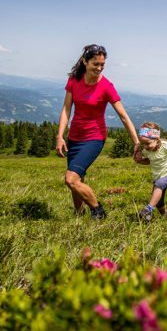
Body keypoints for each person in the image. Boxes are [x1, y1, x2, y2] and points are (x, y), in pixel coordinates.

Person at [56, 44, 139, 219]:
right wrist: (60, 136)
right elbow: (66, 109)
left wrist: (137, 142)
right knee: (77, 180)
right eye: (96, 64)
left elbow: (123, 116)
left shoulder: (107, 86)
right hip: (74, 137)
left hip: (94, 138)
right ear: (85, 61)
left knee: (70, 179)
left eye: (102, 65)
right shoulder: (74, 79)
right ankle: (78, 214)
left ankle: (98, 211)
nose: (99, 68)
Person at [133, 122, 167, 222]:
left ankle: (148, 209)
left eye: (148, 143)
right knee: (158, 201)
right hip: (158, 177)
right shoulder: (147, 151)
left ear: (156, 139)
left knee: (159, 184)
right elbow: (149, 161)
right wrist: (140, 161)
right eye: (143, 144)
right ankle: (165, 216)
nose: (145, 146)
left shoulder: (165, 146)